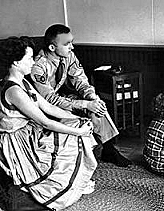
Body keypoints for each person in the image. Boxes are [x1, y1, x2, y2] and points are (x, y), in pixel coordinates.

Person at [0, 37, 98, 210]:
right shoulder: (13, 90)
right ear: (15, 62)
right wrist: (79, 132)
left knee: (76, 125)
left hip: (30, 131)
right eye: (29, 58)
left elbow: (48, 107)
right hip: (17, 141)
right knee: (73, 135)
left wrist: (75, 119)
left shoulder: (23, 82)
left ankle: (75, 180)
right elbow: (45, 121)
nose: (33, 62)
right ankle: (63, 187)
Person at [30, 24, 131, 167]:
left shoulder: (68, 55)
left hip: (61, 97)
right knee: (87, 106)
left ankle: (109, 149)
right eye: (67, 44)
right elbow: (49, 99)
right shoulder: (38, 66)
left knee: (96, 105)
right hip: (42, 106)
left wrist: (92, 98)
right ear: (52, 48)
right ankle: (86, 156)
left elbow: (81, 80)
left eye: (72, 42)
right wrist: (85, 104)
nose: (72, 47)